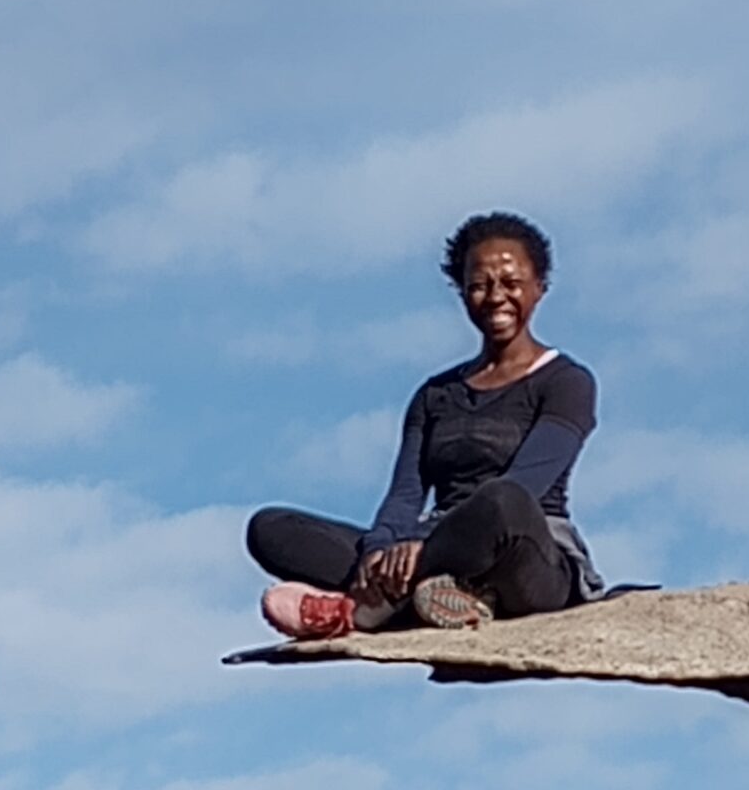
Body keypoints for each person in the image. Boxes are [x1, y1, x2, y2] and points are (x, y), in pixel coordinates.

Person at [248, 212, 602, 639]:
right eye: (479, 285)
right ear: (462, 291)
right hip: (429, 548)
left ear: (539, 289)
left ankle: (362, 611)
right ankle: (433, 597)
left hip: (525, 555)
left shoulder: (566, 381)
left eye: (511, 284)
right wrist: (380, 550)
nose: (495, 297)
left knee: (501, 500)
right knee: (269, 528)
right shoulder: (435, 395)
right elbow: (405, 494)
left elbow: (528, 483)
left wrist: (423, 545)